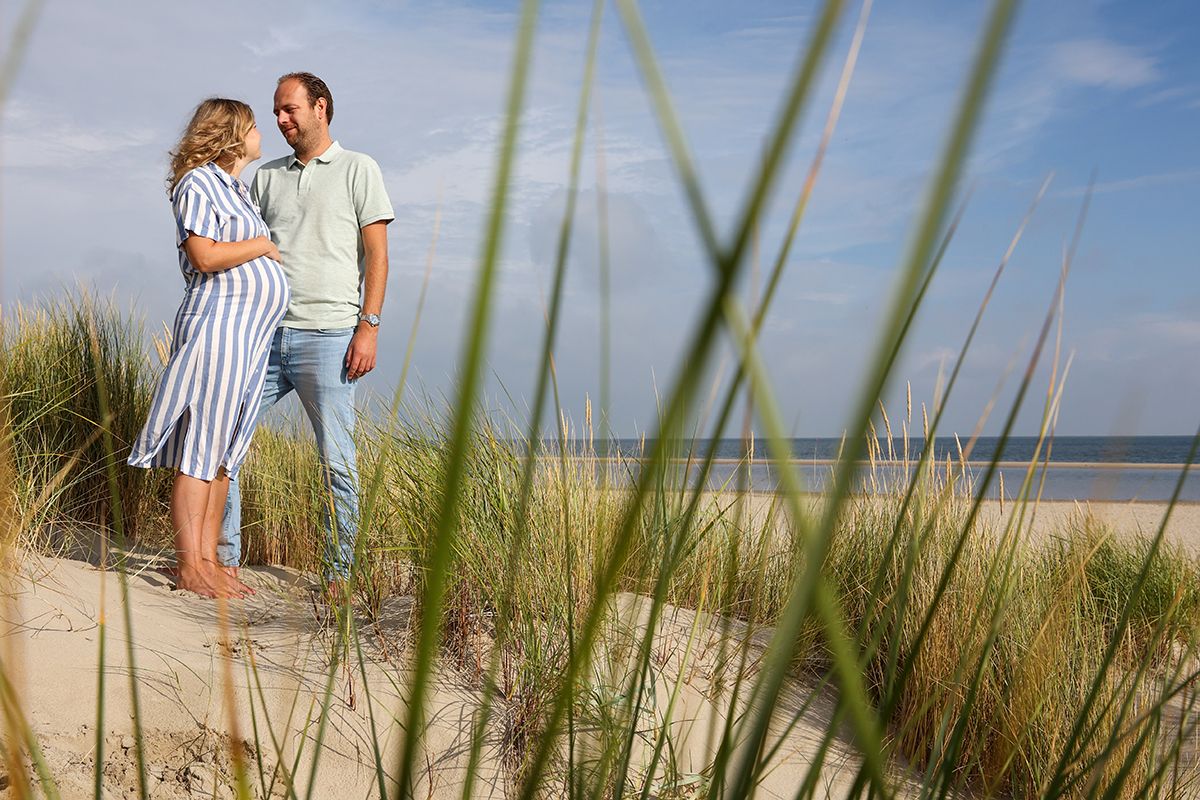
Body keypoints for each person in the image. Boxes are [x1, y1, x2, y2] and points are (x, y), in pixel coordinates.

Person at [220, 72, 394, 591]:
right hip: (264, 335)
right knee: (225, 442)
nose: (280, 120)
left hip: (332, 335)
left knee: (336, 460)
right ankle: (224, 558)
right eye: (276, 111)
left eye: (290, 109)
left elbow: (378, 256)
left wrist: (369, 326)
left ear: (321, 107)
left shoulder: (359, 169)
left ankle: (339, 575)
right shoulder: (265, 177)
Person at [128, 98, 289, 599]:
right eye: (256, 124)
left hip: (245, 339)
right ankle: (189, 567)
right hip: (217, 333)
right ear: (231, 133)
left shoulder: (236, 189)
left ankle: (210, 559)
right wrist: (262, 247)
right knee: (199, 452)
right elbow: (203, 254)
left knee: (222, 455)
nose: (265, 131)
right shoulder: (197, 182)